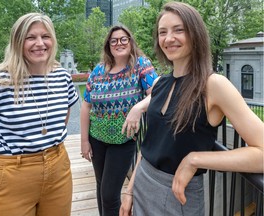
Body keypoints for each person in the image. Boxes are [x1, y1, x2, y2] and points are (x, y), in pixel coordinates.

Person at [120, 2, 264, 216]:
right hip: (142, 185)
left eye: (179, 30)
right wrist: (130, 191)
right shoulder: (160, 83)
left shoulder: (213, 85)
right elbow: (149, 144)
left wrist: (195, 159)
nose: (169, 38)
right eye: (162, 32)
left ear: (195, 34)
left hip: (178, 195)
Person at [0, 13, 79, 216]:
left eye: (45, 36)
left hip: (58, 169)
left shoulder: (62, 77)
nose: (39, 43)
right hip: (13, 173)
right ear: (18, 42)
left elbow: (61, 122)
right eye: (30, 37)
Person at [80, 25, 158, 216]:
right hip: (96, 138)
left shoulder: (141, 65)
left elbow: (157, 93)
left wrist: (137, 108)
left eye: (124, 39)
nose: (119, 43)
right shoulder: (98, 71)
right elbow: (86, 106)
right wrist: (84, 141)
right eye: (114, 40)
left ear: (130, 42)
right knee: (101, 186)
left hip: (123, 139)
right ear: (108, 45)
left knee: (109, 193)